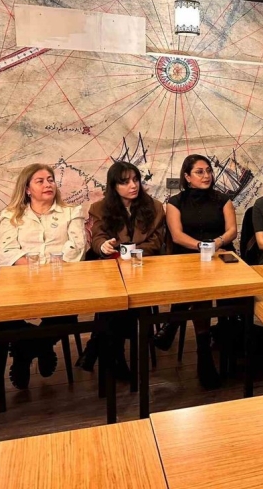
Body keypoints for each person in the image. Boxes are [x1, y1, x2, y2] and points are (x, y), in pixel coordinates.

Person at [0, 163, 86, 389]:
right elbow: (6, 252)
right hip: (22, 283)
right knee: (2, 318)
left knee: (66, 314)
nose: (48, 184)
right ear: (27, 189)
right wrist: (36, 269)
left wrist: (49, 270)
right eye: (40, 181)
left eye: (50, 180)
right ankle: (43, 347)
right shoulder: (11, 215)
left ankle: (24, 351)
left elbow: (76, 248)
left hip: (62, 282)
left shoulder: (71, 212)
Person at [155, 154, 238, 389]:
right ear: (187, 176)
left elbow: (232, 231)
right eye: (199, 172)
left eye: (209, 170)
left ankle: (173, 322)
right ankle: (203, 353)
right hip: (189, 256)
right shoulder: (175, 202)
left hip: (220, 255)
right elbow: (177, 235)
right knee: (200, 289)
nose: (206, 175)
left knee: (205, 285)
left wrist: (217, 243)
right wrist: (202, 246)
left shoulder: (223, 199)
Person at [76, 161, 165, 377]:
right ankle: (115, 355)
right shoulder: (99, 208)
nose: (133, 186)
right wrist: (103, 247)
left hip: (144, 268)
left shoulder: (154, 206)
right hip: (111, 269)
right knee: (116, 298)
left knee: (121, 301)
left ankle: (99, 348)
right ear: (113, 185)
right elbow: (98, 237)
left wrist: (131, 254)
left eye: (135, 180)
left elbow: (156, 241)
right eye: (125, 182)